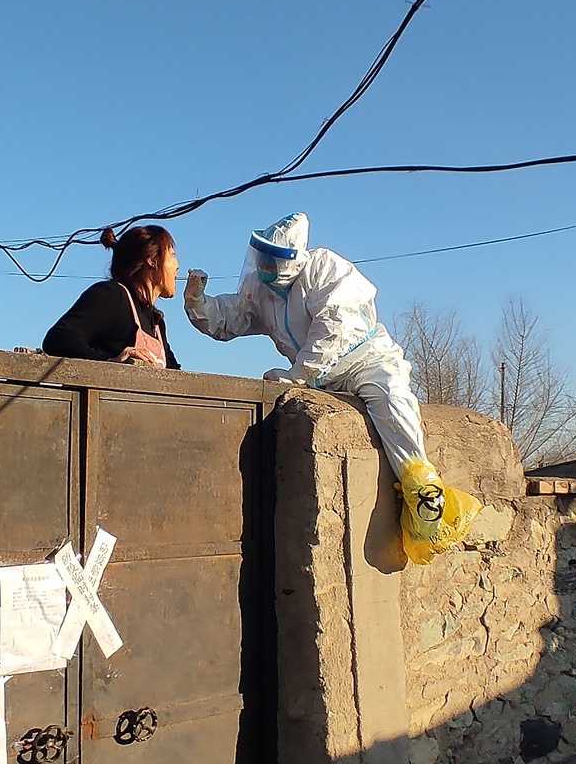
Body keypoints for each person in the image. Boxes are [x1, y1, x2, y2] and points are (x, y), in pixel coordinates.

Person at [183, 212, 480, 562]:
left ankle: (427, 499)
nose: (262, 265)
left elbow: (333, 325)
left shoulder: (324, 269)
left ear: (290, 259)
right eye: (260, 257)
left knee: (393, 404)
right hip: (321, 381)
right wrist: (199, 303)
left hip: (367, 361)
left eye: (270, 259)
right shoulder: (262, 292)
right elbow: (231, 317)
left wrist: (299, 374)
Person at [43, 225, 181, 369]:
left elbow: (176, 377)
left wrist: (197, 300)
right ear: (152, 260)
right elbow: (58, 339)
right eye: (172, 254)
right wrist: (111, 362)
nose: (177, 265)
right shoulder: (113, 296)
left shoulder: (156, 322)